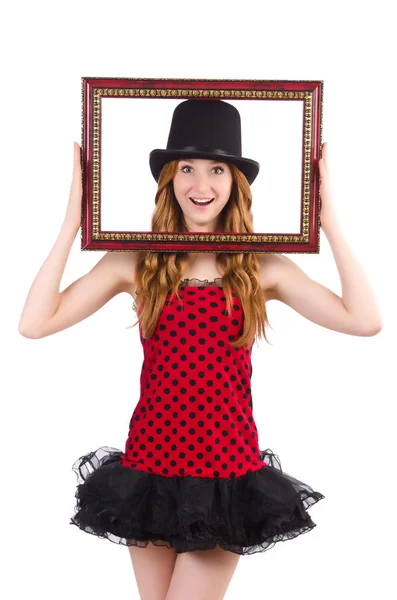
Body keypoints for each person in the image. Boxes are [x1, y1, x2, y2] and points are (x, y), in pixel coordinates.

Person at [18, 99, 382, 600]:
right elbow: (34, 323)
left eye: (216, 169)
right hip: (150, 466)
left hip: (223, 473)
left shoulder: (261, 267)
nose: (200, 185)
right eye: (187, 167)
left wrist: (331, 224)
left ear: (236, 182)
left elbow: (364, 320)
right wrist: (69, 226)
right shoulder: (137, 261)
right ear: (169, 178)